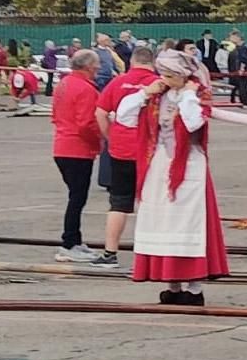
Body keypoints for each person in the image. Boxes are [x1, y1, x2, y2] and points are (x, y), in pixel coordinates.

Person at [119, 49, 229, 305]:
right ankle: (172, 283)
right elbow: (124, 115)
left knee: (187, 222)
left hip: (189, 164)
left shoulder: (198, 94)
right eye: (163, 74)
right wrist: (145, 92)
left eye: (170, 75)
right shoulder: (157, 96)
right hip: (159, 163)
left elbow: (193, 123)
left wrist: (188, 93)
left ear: (183, 76)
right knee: (163, 221)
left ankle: (194, 287)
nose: (165, 79)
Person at [93, 46, 158, 267]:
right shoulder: (159, 83)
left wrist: (110, 136)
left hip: (121, 149)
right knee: (151, 202)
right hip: (150, 151)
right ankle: (153, 254)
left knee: (119, 203)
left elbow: (100, 112)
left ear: (132, 62)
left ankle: (110, 253)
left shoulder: (118, 82)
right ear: (152, 62)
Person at [52, 50, 105, 264]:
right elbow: (86, 123)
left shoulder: (64, 84)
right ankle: (69, 242)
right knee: (77, 198)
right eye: (97, 64)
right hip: (78, 149)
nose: (99, 68)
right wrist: (100, 141)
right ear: (89, 66)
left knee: (76, 196)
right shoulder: (86, 89)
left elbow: (55, 114)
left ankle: (74, 239)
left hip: (62, 146)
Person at [226, 31, 247, 109]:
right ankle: (238, 101)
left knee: (242, 87)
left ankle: (246, 103)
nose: (230, 39)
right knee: (238, 86)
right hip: (237, 72)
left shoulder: (243, 48)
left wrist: (242, 69)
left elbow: (244, 59)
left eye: (232, 37)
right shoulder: (237, 48)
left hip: (243, 72)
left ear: (238, 38)